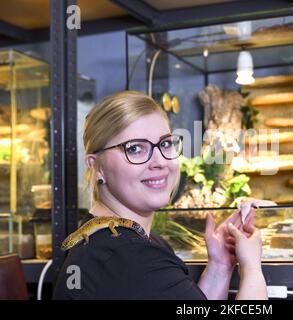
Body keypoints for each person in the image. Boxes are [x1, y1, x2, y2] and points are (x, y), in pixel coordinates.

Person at [53, 91, 270, 300]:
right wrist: (251, 270)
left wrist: (220, 265)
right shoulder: (131, 257)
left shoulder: (127, 242)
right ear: (96, 166)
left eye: (165, 144)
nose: (160, 162)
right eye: (135, 148)